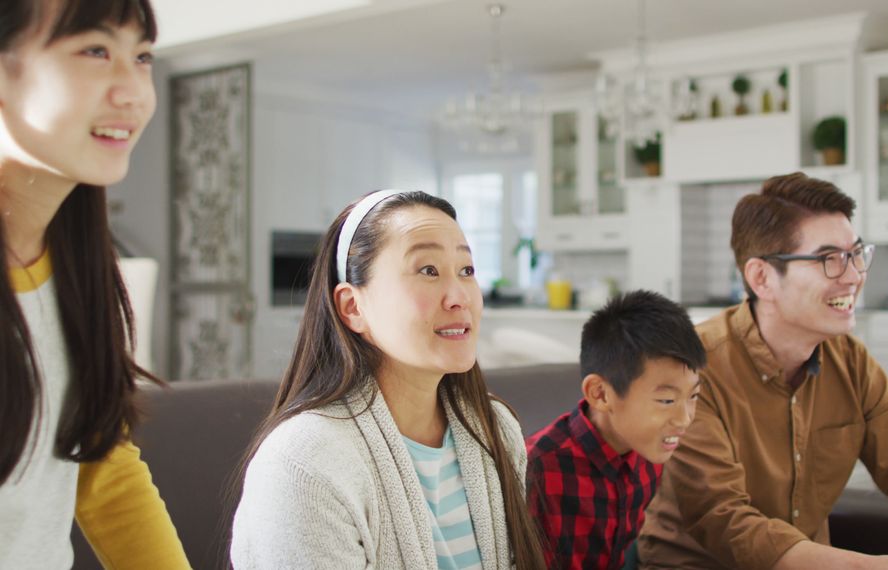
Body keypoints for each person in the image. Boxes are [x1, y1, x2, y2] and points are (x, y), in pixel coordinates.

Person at [637, 172, 888, 570]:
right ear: (762, 277)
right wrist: (866, 567)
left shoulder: (851, 362)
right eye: (828, 259)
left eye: (855, 254)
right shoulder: (691, 368)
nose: (853, 276)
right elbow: (725, 520)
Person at [230, 190, 547, 569]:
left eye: (466, 270)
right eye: (428, 270)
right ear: (353, 307)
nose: (459, 296)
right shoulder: (304, 463)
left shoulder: (495, 429)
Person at [0, 0, 190, 567]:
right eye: (95, 50)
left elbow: (100, 465)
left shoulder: (77, 266)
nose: (133, 92)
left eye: (142, 57)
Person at [526, 290, 706, 569]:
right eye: (666, 400)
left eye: (693, 396)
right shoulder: (537, 470)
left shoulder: (648, 451)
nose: (684, 419)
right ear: (600, 394)